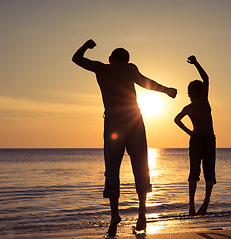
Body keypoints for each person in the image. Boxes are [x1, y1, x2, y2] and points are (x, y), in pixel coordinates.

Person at [72, 39, 177, 236]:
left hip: (113, 122)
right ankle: (142, 213)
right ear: (127, 60)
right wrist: (167, 90)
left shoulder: (101, 69)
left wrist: (86, 45)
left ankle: (114, 215)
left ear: (111, 59)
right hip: (134, 121)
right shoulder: (129, 69)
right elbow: (146, 82)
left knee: (112, 169)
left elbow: (76, 59)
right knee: (140, 165)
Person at [174, 55, 216, 216]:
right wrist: (196, 63)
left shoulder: (189, 107)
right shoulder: (204, 102)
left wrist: (190, 132)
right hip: (209, 139)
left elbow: (176, 120)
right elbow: (206, 78)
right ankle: (205, 203)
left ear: (189, 92)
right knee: (209, 172)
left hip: (197, 139)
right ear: (201, 92)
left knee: (194, 172)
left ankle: (191, 205)